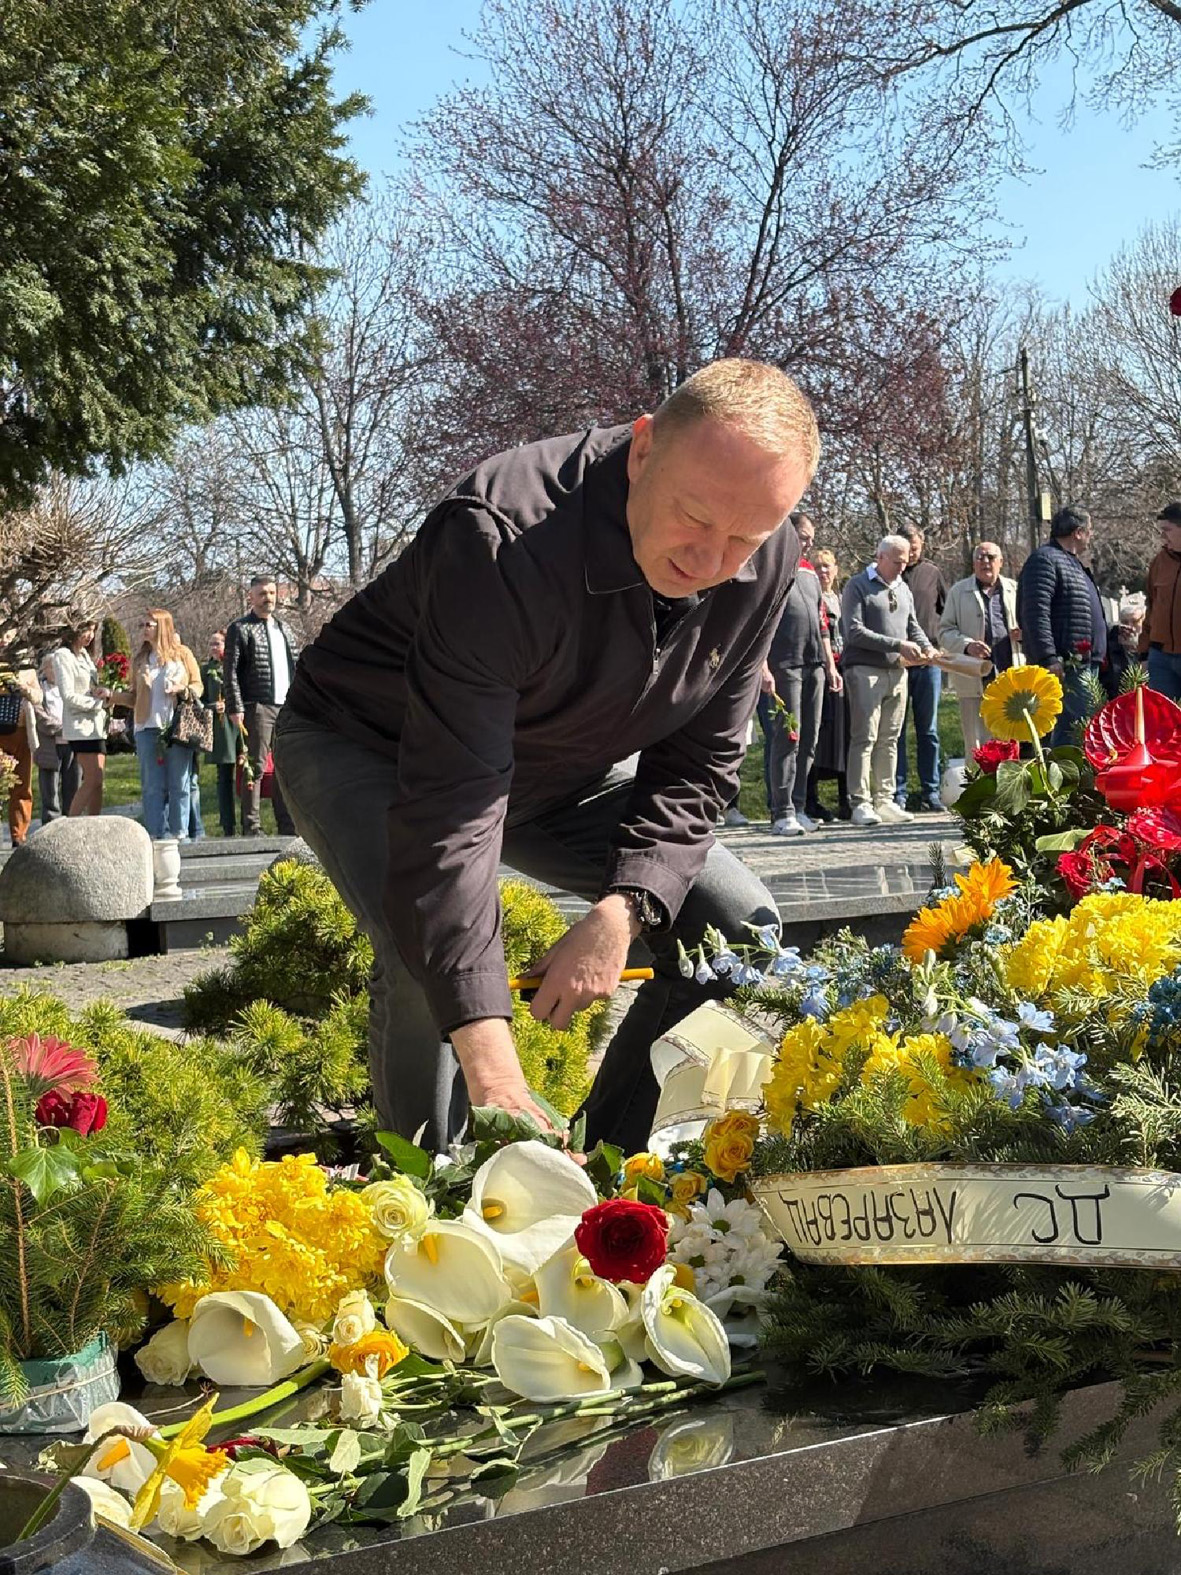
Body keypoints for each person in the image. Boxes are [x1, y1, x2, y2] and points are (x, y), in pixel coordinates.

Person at [274, 358, 817, 1153]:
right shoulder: (500, 538)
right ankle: (439, 1198)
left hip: (564, 763)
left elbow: (698, 764)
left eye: (744, 536)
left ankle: (600, 1170)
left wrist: (623, 907)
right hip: (371, 743)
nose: (708, 561)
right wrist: (494, 1074)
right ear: (641, 450)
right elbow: (450, 818)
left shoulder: (765, 562)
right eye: (693, 516)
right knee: (422, 953)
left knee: (738, 924)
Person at [841, 535, 934, 828]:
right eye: (896, 562)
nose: (901, 568)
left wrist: (926, 647)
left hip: (897, 672)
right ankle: (860, 802)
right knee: (864, 737)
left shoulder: (902, 587)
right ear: (880, 557)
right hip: (865, 670)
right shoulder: (857, 585)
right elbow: (853, 631)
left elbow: (913, 626)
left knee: (891, 739)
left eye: (905, 563)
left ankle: (885, 799)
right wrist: (897, 644)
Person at [1016, 505, 1106, 746]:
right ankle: (1068, 780)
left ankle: (1076, 780)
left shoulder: (1071, 562)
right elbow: (1035, 613)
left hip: (1084, 662)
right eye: (1089, 530)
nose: (1091, 535)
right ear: (1078, 532)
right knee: (1077, 731)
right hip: (1066, 665)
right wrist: (1048, 657)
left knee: (1077, 730)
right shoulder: (1044, 560)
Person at [765, 549, 841, 836]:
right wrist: (763, 667)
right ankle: (781, 811)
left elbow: (823, 622)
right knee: (788, 737)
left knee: (810, 739)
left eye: (810, 536)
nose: (807, 542)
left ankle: (798, 806)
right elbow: (761, 622)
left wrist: (830, 666)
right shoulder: (774, 566)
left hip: (816, 665)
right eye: (802, 536)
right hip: (786, 664)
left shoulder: (810, 572)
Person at [116, 610, 203, 840]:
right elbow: (133, 697)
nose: (144, 628)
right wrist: (111, 696)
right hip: (147, 727)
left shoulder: (183, 654)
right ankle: (156, 835)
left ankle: (179, 834)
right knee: (152, 785)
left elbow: (198, 686)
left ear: (162, 627)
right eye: (142, 624)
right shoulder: (140, 659)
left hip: (178, 727)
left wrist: (181, 690)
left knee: (180, 784)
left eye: (149, 624)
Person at [225, 577, 297, 837]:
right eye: (261, 593)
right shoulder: (241, 629)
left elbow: (296, 667)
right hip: (257, 706)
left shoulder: (284, 629)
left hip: (285, 707)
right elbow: (230, 671)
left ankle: (287, 825)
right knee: (254, 766)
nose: (268, 597)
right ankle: (252, 826)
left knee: (285, 766)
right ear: (251, 597)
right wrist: (235, 705)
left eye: (271, 592)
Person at [939, 542, 1023, 757]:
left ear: (1001, 562)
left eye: (991, 557)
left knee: (1010, 739)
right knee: (976, 744)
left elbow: (1032, 625)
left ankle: (1010, 788)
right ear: (973, 563)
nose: (985, 562)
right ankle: (979, 788)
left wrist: (1024, 635)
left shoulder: (1016, 590)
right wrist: (967, 645)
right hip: (974, 676)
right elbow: (944, 631)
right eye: (980, 558)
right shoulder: (959, 592)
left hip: (1009, 675)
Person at [894, 525, 947, 812]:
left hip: (928, 663)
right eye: (905, 546)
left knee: (928, 730)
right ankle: (898, 793)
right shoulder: (889, 574)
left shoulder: (933, 573)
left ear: (922, 544)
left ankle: (931, 790)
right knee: (896, 730)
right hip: (898, 662)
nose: (910, 552)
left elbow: (945, 612)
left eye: (914, 546)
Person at [805, 548, 849, 821]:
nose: (824, 571)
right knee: (816, 736)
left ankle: (846, 799)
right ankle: (811, 800)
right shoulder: (811, 598)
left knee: (844, 737)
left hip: (843, 672)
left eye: (828, 566)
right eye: (818, 566)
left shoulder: (843, 599)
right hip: (819, 669)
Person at [52, 619, 108, 816]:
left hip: (96, 725)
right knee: (92, 778)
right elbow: (68, 695)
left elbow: (92, 688)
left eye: (93, 631)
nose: (90, 636)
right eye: (86, 630)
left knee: (99, 780)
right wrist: (95, 704)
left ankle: (95, 822)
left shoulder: (85, 656)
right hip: (79, 726)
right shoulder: (62, 656)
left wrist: (106, 695)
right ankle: (72, 821)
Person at [1139, 502, 1181, 700]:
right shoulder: (1159, 562)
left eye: (1167, 530)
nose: (1162, 536)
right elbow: (1151, 609)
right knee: (1162, 724)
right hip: (1160, 659)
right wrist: (1144, 652)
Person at [202, 630, 240, 836]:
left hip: (240, 724)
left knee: (248, 773)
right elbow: (199, 698)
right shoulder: (207, 670)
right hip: (221, 727)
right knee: (224, 777)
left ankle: (251, 823)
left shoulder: (236, 666)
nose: (214, 648)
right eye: (211, 644)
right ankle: (228, 825)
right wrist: (211, 706)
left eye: (217, 643)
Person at [0, 651, 41, 845]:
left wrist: (25, 688)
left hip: (22, 730)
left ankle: (19, 834)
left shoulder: (27, 667)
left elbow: (38, 696)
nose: (5, 639)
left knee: (22, 785)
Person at [32, 654, 77, 823]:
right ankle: (51, 824)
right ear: (45, 669)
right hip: (50, 747)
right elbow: (41, 718)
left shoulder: (70, 689)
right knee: (50, 790)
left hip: (72, 745)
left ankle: (71, 821)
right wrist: (64, 728)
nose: (58, 671)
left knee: (72, 787)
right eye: (54, 667)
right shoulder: (39, 691)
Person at [1104, 592, 1146, 699]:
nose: (1129, 627)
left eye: (1135, 622)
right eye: (1125, 622)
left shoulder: (1151, 649)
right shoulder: (1111, 647)